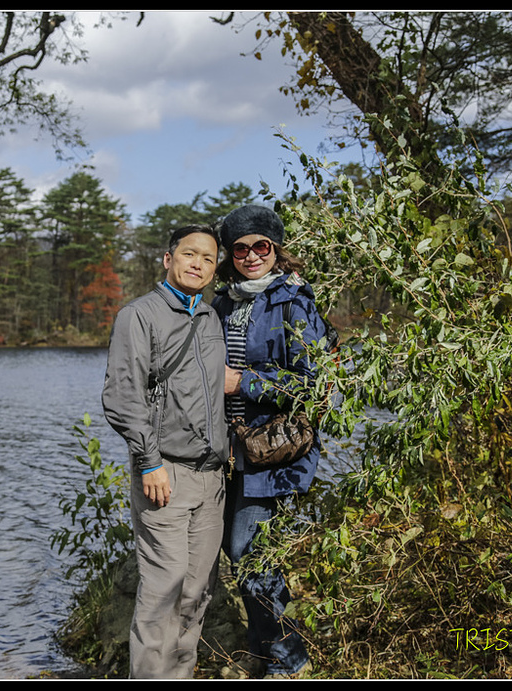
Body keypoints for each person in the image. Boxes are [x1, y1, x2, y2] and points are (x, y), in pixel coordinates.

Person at [101, 224, 228, 679]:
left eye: (208, 258)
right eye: (190, 254)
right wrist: (149, 461)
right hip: (164, 474)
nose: (198, 264)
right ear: (168, 258)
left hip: (212, 478)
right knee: (163, 590)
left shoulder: (211, 318)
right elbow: (122, 397)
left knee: (196, 592)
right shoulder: (139, 315)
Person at [212, 204, 328, 679]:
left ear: (276, 249)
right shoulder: (223, 303)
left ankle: (288, 660)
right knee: (234, 549)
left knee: (249, 551)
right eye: (240, 249)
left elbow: (310, 383)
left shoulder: (294, 301)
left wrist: (241, 382)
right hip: (230, 452)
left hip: (274, 450)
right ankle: (262, 653)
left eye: (260, 246)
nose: (251, 256)